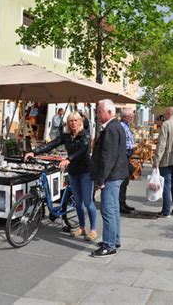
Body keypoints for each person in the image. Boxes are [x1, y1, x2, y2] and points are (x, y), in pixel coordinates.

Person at [25, 112, 97, 241]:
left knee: (88, 202)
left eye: (75, 120)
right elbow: (51, 144)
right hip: (73, 172)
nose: (73, 123)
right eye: (71, 121)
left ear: (80, 122)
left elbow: (83, 150)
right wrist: (34, 152)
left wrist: (68, 159)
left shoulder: (85, 135)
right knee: (78, 203)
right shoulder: (66, 136)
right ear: (68, 123)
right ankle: (81, 228)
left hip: (86, 172)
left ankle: (93, 230)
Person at [90, 99, 128, 257]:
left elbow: (108, 157)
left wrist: (101, 179)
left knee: (108, 210)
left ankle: (109, 245)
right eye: (97, 111)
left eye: (100, 111)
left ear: (110, 112)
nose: (97, 114)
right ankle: (114, 239)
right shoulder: (115, 126)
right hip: (115, 174)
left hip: (111, 176)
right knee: (113, 210)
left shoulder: (111, 128)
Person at [119, 108, 136, 214]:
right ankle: (120, 204)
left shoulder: (127, 126)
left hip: (126, 157)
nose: (132, 118)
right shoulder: (121, 126)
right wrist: (133, 145)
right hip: (122, 157)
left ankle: (123, 202)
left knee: (125, 181)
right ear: (125, 117)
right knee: (122, 182)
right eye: (131, 116)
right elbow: (121, 143)